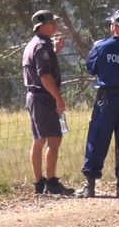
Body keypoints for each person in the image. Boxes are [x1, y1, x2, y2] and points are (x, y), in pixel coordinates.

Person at [78, 10, 119, 198]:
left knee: (98, 138)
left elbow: (91, 68)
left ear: (115, 25)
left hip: (107, 99)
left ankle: (90, 186)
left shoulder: (102, 47)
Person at [22, 10, 75, 195]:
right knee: (54, 138)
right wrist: (58, 98)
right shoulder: (42, 46)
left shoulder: (34, 44)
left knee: (39, 139)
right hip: (43, 97)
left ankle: (39, 183)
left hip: (34, 97)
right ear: (42, 25)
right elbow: (44, 76)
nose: (55, 26)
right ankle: (51, 182)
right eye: (52, 23)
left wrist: (55, 51)